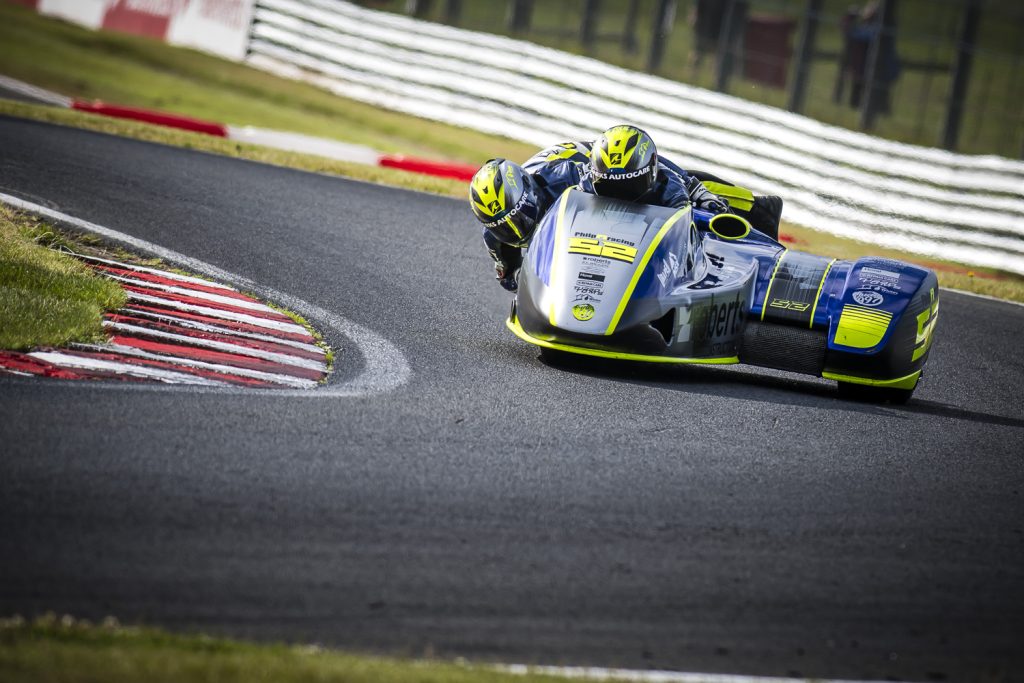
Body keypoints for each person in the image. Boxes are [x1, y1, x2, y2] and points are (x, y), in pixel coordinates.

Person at [470, 125, 779, 291]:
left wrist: (691, 187)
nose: (516, 229)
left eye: (521, 217)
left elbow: (648, 177)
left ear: (531, 195)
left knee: (683, 193)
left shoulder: (566, 180)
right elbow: (512, 282)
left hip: (607, 164)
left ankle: (758, 210)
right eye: (503, 227)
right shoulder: (497, 238)